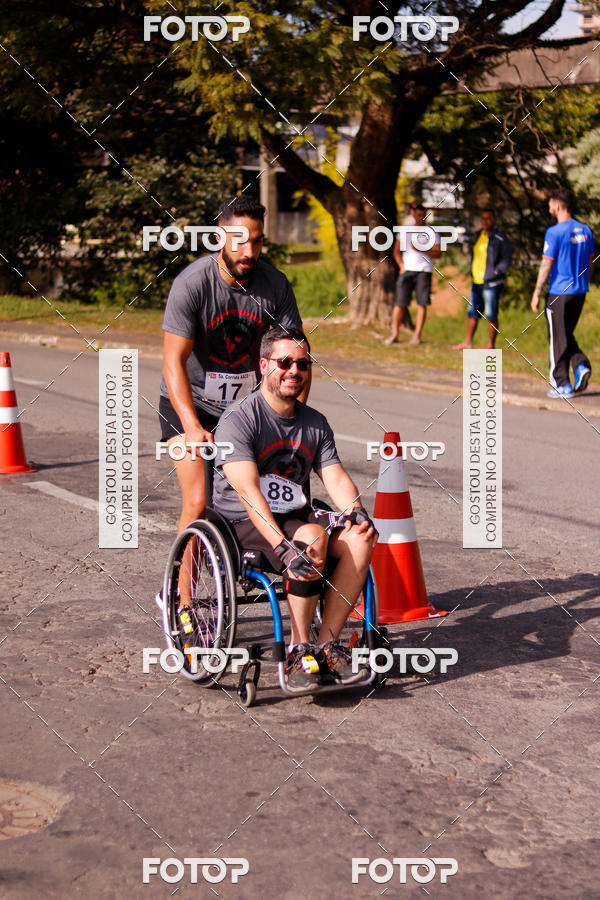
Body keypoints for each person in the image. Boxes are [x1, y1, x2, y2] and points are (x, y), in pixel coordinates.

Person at [156, 195, 306, 607]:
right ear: (220, 235)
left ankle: (254, 566)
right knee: (200, 500)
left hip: (243, 410)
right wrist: (191, 426)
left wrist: (288, 417)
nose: (249, 252)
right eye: (239, 241)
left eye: (257, 242)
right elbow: (173, 364)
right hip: (189, 401)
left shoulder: (274, 285)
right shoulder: (193, 283)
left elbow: (294, 355)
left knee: (260, 492)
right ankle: (182, 601)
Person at [212, 326, 378, 690]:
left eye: (303, 364)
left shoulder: (314, 423)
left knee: (360, 537)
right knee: (312, 538)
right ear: (263, 366)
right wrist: (281, 547)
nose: (294, 371)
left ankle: (326, 645)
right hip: (243, 522)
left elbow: (335, 478)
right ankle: (297, 651)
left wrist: (357, 511)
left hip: (296, 516)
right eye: (284, 362)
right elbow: (247, 491)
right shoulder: (239, 419)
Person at [531, 188, 593, 398]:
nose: (549, 208)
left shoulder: (554, 232)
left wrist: (537, 292)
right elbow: (590, 262)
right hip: (579, 291)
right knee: (565, 334)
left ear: (557, 206)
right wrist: (584, 282)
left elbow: (546, 264)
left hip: (558, 292)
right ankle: (580, 365)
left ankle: (562, 384)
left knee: (557, 338)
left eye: (550, 205)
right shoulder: (586, 230)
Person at [453, 208, 512, 350]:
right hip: (477, 282)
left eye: (488, 218)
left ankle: (491, 345)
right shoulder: (478, 235)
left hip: (492, 283)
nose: (485, 221)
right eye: (483, 218)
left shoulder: (500, 238)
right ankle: (468, 342)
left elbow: (507, 259)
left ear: (494, 220)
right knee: (472, 312)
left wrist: (496, 272)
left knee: (491, 314)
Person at [384, 202, 441, 345]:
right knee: (400, 303)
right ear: (413, 214)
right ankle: (395, 334)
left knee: (422, 304)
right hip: (407, 271)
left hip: (424, 271)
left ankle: (416, 336)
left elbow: (438, 254)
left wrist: (422, 249)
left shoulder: (432, 232)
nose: (420, 217)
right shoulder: (404, 230)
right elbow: (396, 251)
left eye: (423, 215)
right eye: (418, 215)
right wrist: (401, 266)